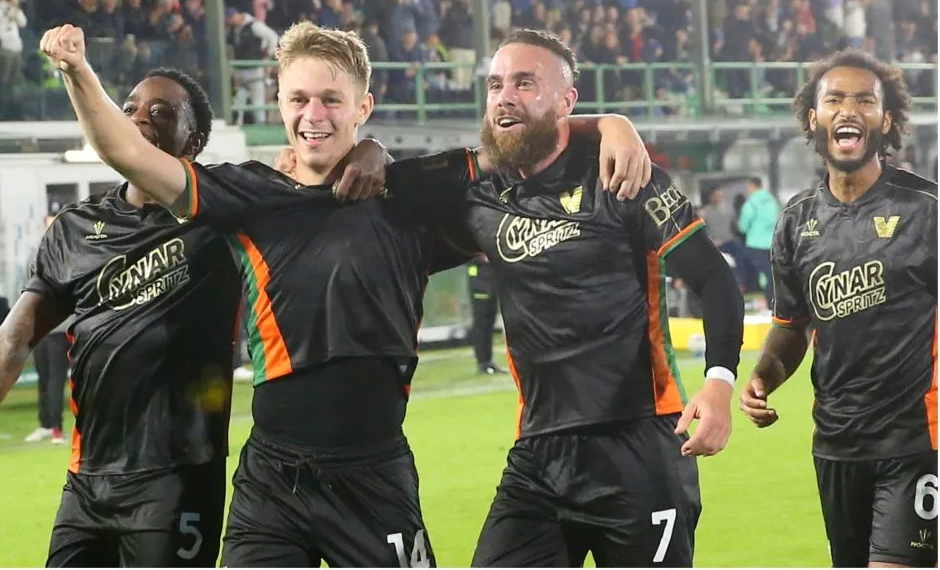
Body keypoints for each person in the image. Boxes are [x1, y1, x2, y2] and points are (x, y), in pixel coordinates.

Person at [39, 21, 653, 568]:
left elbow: (521, 144)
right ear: (278, 103)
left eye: (332, 100)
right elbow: (127, 152)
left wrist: (610, 124)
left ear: (364, 106)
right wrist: (78, 71)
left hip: (374, 475)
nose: (314, 115)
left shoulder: (411, 191)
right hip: (271, 481)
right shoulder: (246, 196)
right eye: (299, 99)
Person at [383, 29, 745, 567]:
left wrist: (719, 383)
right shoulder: (477, 196)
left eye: (525, 83)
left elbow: (715, 281)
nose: (505, 95)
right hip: (539, 453)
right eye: (495, 84)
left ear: (566, 100)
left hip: (639, 444)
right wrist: (369, 148)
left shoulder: (622, 176)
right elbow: (389, 186)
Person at [0, 68, 244, 567]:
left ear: (194, 139)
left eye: (160, 112)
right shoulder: (74, 229)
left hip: (177, 478)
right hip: (87, 482)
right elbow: (10, 342)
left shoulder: (222, 214)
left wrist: (369, 152)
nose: (138, 119)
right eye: (130, 107)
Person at [740, 48, 937, 568]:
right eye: (835, 99)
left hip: (918, 440)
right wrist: (763, 377)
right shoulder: (795, 221)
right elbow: (790, 327)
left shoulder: (927, 210)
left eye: (864, 100)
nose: (848, 109)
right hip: (836, 444)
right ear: (814, 117)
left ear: (886, 120)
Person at [23, 213, 71, 445]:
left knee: (56, 378)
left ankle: (57, 429)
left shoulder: (72, 254)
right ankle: (44, 424)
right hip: (40, 327)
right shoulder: (36, 255)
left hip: (61, 328)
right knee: (43, 376)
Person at [737, 177, 780, 310]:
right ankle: (778, 303)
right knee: (774, 274)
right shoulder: (772, 201)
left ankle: (769, 305)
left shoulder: (751, 203)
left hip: (756, 244)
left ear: (751, 186)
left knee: (764, 277)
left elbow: (743, 226)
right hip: (773, 243)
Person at [467, 254, 504, 375]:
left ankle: (488, 361)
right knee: (481, 322)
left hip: (490, 279)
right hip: (479, 280)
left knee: (489, 322)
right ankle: (483, 362)